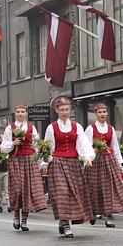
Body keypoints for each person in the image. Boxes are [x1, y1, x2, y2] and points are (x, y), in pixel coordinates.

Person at [42, 96, 96, 238]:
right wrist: (44, 162)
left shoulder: (76, 126)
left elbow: (83, 144)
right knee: (62, 193)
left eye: (67, 110)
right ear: (57, 111)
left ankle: (64, 220)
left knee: (73, 193)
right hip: (57, 162)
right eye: (62, 110)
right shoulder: (51, 127)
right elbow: (47, 146)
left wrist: (88, 157)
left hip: (73, 163)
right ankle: (66, 224)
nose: (65, 112)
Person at [0, 104, 47, 231]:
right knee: (17, 189)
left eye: (22, 111)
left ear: (26, 113)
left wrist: (41, 163)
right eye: (18, 111)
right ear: (15, 114)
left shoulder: (32, 128)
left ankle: (25, 220)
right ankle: (16, 215)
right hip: (15, 159)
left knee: (27, 190)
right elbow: (3, 147)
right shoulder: (10, 128)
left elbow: (36, 146)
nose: (20, 114)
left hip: (29, 160)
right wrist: (13, 143)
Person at [84, 103, 123, 227]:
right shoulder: (90, 129)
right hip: (95, 162)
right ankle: (93, 211)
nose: (102, 114)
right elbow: (86, 146)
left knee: (109, 188)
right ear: (95, 114)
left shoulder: (111, 129)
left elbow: (115, 147)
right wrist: (91, 154)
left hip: (108, 160)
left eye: (104, 112)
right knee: (95, 188)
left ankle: (108, 216)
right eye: (100, 112)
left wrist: (119, 164)